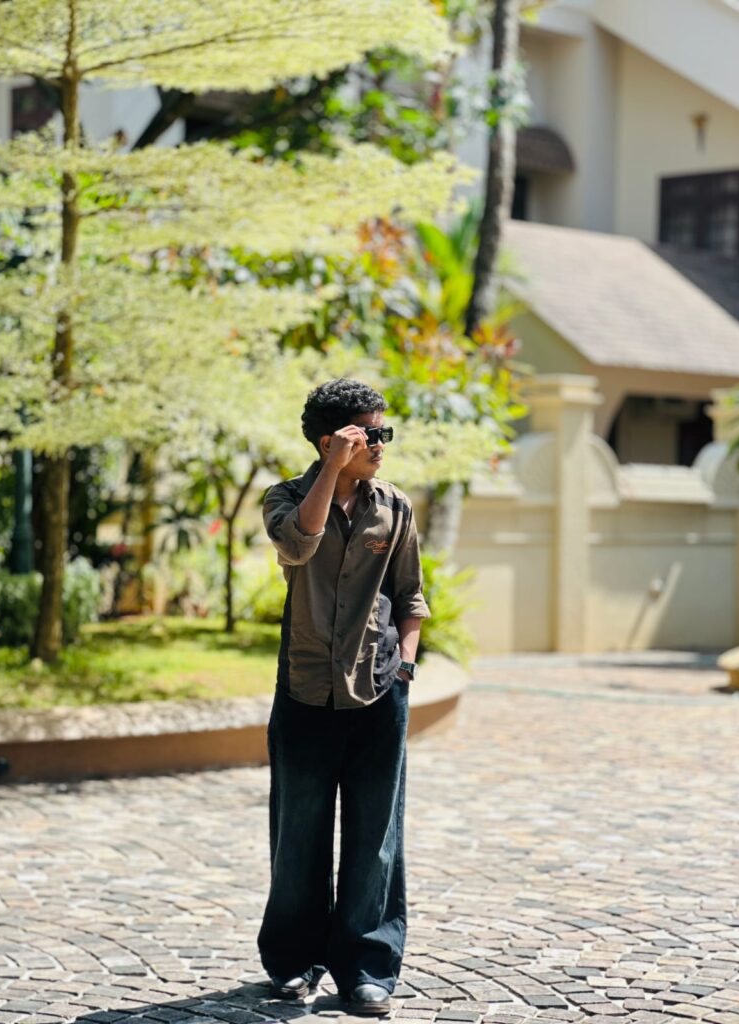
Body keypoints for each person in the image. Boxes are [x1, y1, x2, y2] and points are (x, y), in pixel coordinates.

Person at [257, 378, 430, 1017]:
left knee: (376, 838)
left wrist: (405, 666)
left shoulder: (395, 507)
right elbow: (298, 545)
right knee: (298, 835)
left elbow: (410, 595)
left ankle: (366, 968)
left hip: (380, 691)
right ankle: (294, 961)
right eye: (369, 435)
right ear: (331, 441)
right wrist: (331, 470)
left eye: (385, 433)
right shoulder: (285, 498)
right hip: (305, 690)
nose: (381, 444)